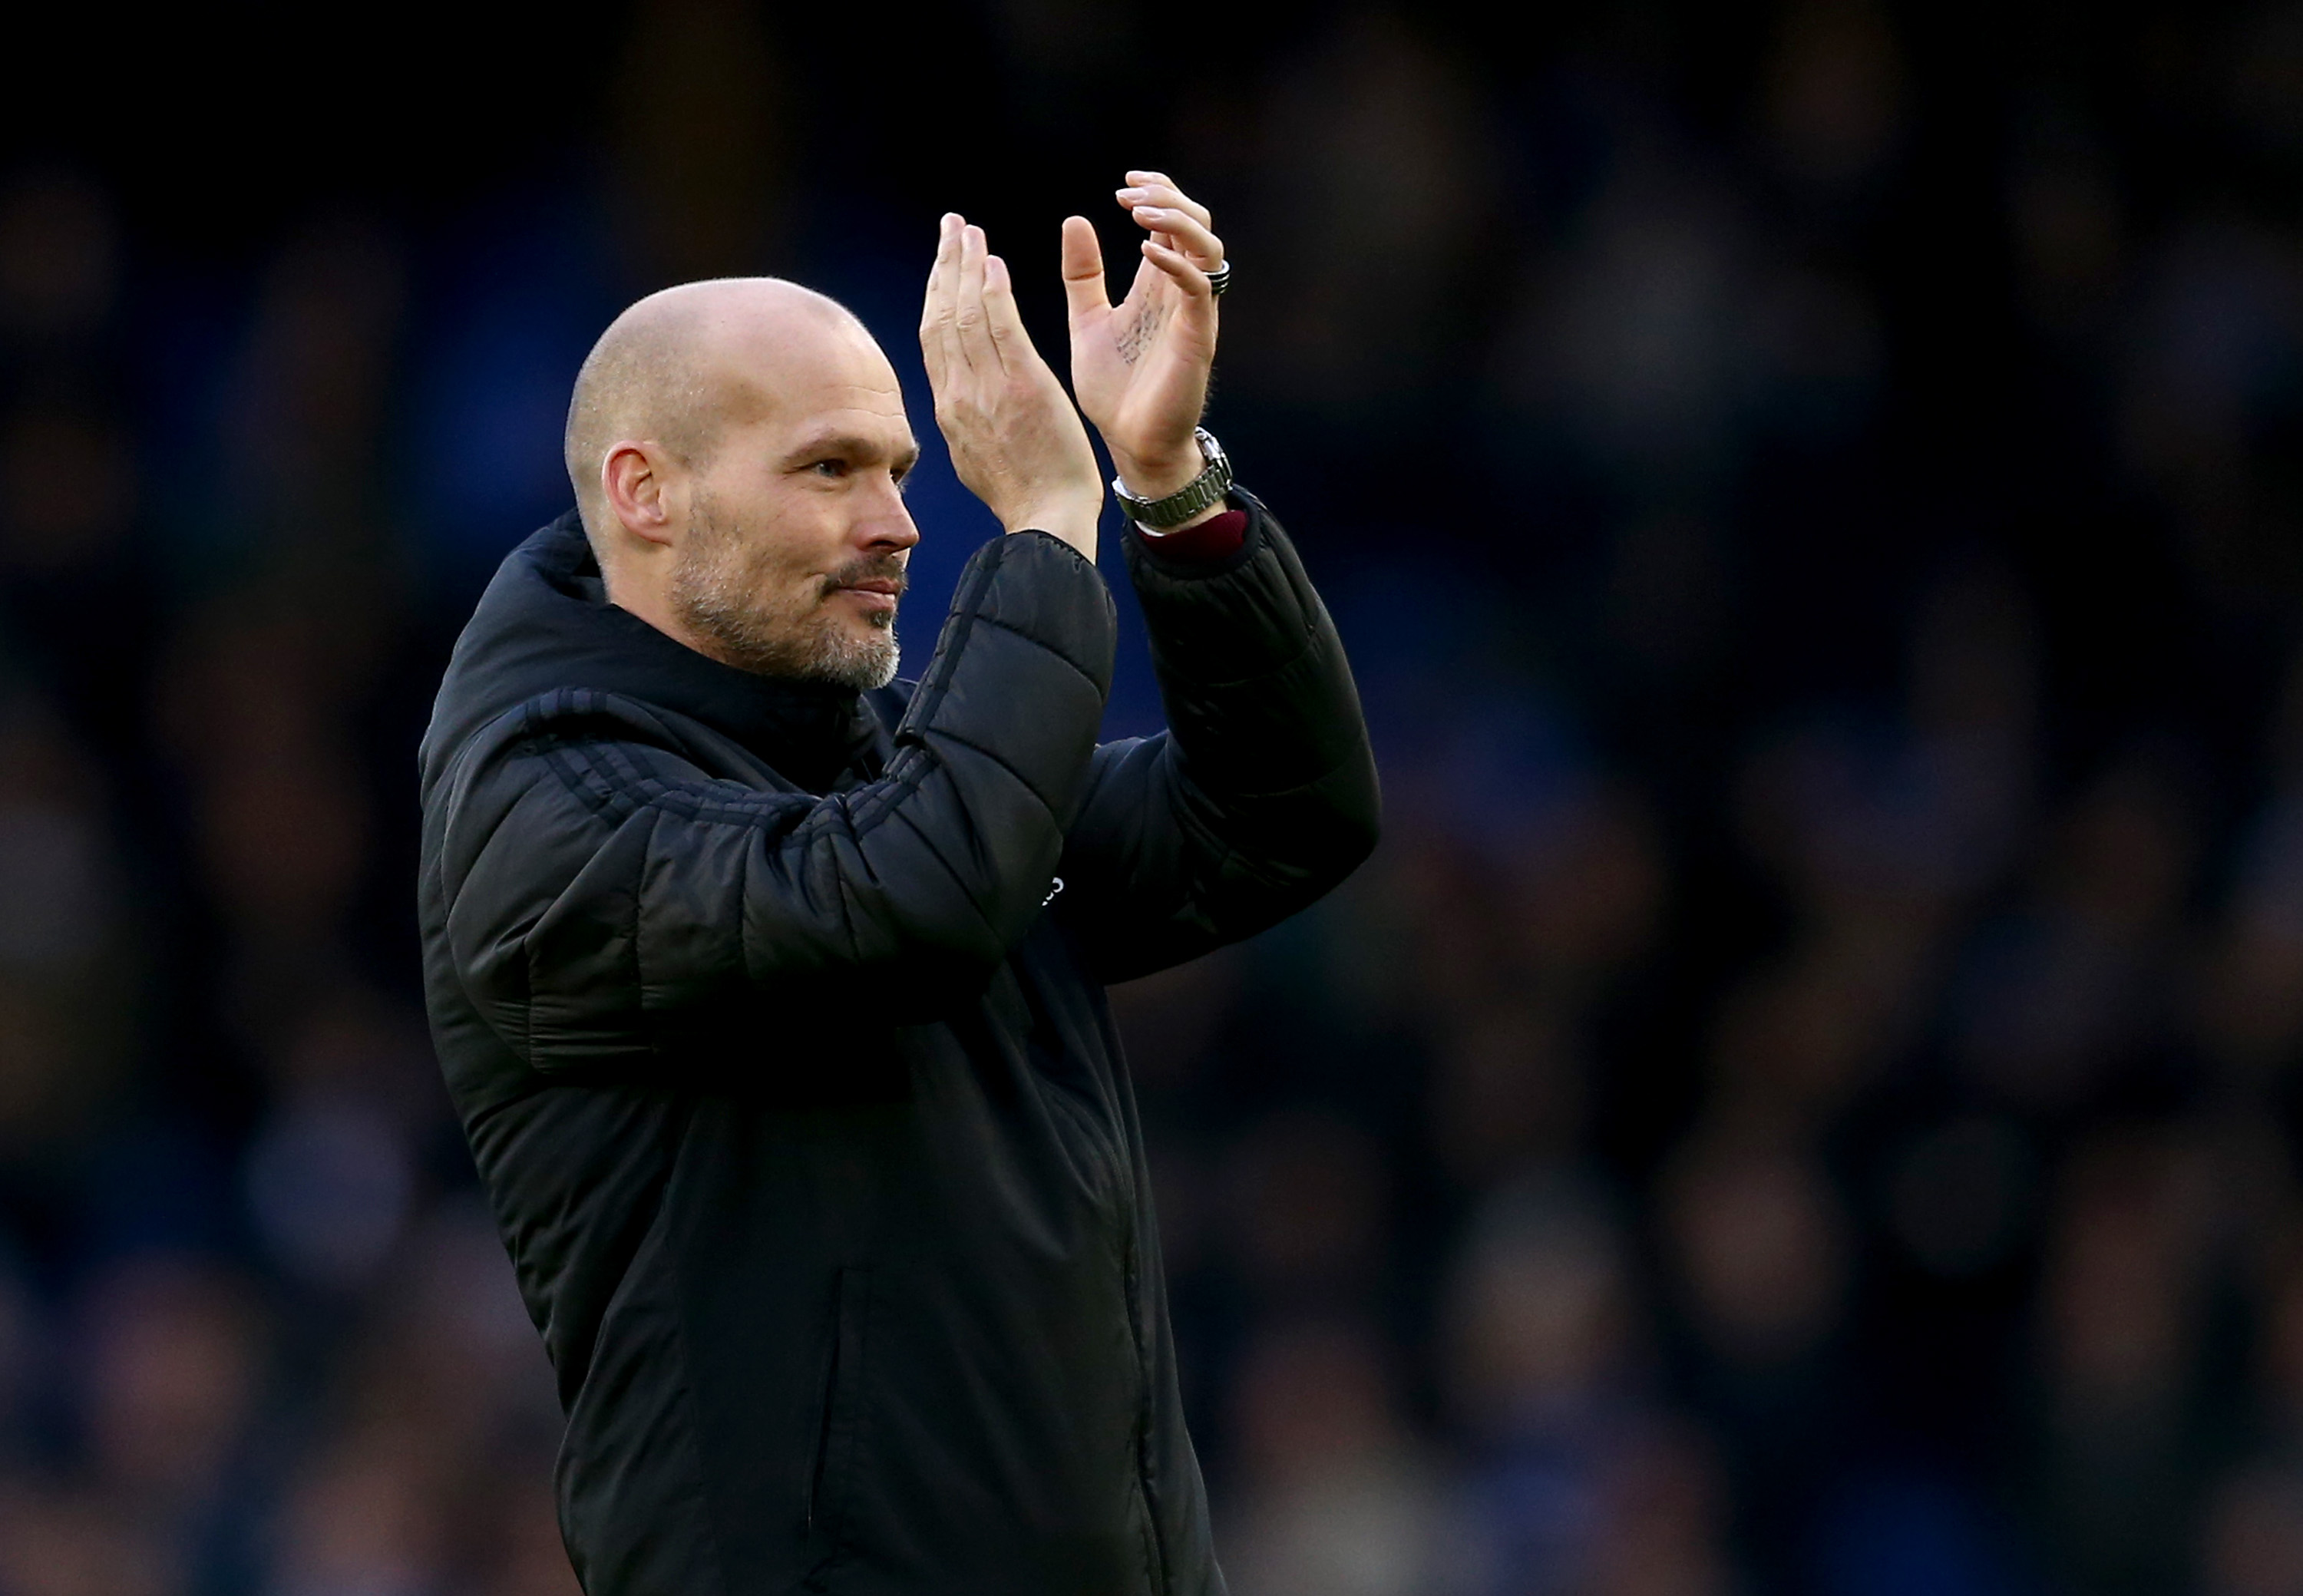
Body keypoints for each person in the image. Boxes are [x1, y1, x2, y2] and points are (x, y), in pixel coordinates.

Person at [416, 173, 1378, 1595]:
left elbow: (1281, 817)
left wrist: (1169, 488)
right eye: (829, 470)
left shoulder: (893, 779)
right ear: (646, 492)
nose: (900, 523)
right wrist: (1047, 523)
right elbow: (912, 903)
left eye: (904, 471)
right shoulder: (540, 815)